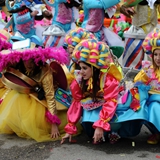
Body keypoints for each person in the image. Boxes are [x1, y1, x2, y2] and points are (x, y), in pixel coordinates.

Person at [0, 44, 79, 142]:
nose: (28, 64)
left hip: (44, 97)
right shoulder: (17, 65)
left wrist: (53, 124)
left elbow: (50, 96)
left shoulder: (45, 72)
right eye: (25, 60)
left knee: (38, 122)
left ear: (37, 59)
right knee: (16, 95)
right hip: (28, 93)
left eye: (32, 61)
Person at [61, 39, 123, 144]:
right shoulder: (79, 81)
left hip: (111, 110)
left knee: (117, 119)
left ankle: (113, 131)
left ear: (94, 68)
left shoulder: (108, 80)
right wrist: (70, 128)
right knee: (89, 128)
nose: (81, 72)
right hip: (96, 108)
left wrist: (101, 125)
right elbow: (76, 103)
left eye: (84, 68)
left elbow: (111, 102)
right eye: (80, 68)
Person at [133, 27, 160, 144]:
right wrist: (144, 75)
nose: (158, 58)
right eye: (156, 54)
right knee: (148, 107)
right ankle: (157, 133)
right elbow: (137, 82)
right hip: (152, 101)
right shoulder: (149, 69)